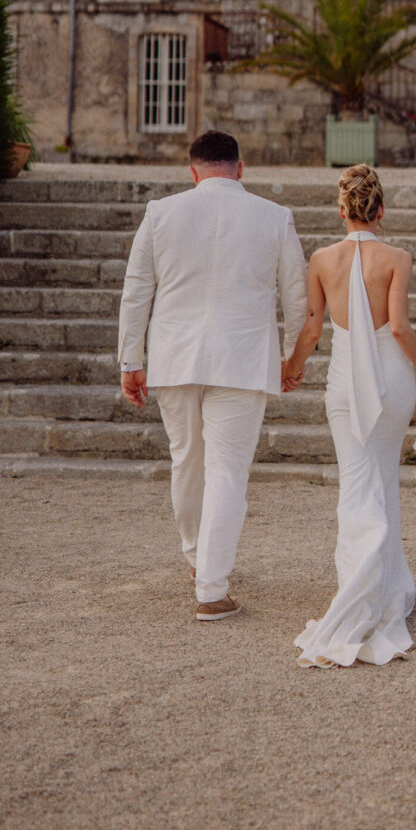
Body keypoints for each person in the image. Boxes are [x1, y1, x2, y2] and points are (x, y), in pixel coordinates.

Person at [118, 131, 307, 622]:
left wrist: (130, 361)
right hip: (243, 359)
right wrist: (292, 359)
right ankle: (211, 586)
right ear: (240, 169)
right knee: (227, 472)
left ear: (193, 171)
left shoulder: (161, 213)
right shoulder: (274, 216)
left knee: (187, 461)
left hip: (176, 355)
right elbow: (297, 297)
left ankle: (197, 560)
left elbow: (137, 291)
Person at [282, 164, 416, 667]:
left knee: (355, 482)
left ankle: (364, 584)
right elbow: (398, 328)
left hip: (343, 387)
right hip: (391, 383)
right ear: (380, 210)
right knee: (384, 477)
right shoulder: (397, 257)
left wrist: (291, 369)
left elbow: (313, 330)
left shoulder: (321, 259)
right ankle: (383, 589)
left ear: (341, 211)